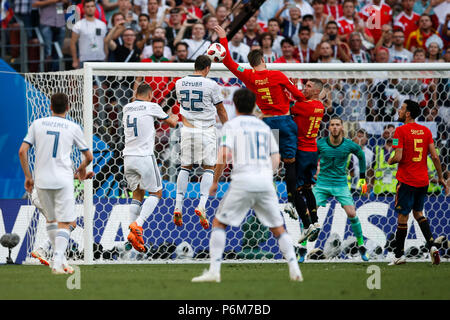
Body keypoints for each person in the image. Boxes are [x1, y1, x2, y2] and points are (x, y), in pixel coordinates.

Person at [191, 88, 303, 283]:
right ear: (254, 105)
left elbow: (224, 155)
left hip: (242, 180)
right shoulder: (264, 127)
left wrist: (215, 181)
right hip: (265, 181)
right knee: (278, 228)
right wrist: (267, 175)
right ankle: (295, 270)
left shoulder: (231, 126)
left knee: (219, 223)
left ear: (234, 105)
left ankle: (214, 272)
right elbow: (276, 158)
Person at [215, 24, 307, 218]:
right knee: (290, 162)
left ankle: (268, 188)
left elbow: (228, 62)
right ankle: (291, 201)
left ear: (250, 63)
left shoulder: (248, 75)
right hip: (285, 120)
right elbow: (299, 95)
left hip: (267, 123)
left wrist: (223, 38)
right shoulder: (277, 75)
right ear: (264, 59)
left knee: (266, 159)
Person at [18, 93, 93, 274]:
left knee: (53, 222)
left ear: (50, 107)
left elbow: (22, 151)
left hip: (41, 182)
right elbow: (89, 156)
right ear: (68, 108)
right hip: (63, 182)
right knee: (67, 223)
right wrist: (82, 168)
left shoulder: (37, 124)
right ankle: (57, 262)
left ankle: (57, 260)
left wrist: (28, 177)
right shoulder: (72, 127)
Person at [387, 99, 448, 265]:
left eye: (401, 109)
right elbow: (435, 156)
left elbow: (397, 156)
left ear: (407, 113)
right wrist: (441, 177)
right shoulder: (426, 131)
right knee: (419, 213)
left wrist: (390, 161)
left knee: (402, 217)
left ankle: (399, 255)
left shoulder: (400, 131)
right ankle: (432, 246)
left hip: (407, 180)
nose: (399, 111)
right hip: (423, 181)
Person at [173, 55, 228, 229]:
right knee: (209, 167)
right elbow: (220, 109)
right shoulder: (211, 85)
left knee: (185, 167)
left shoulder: (179, 83)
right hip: (206, 130)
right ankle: (202, 205)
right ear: (207, 68)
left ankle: (178, 206)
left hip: (187, 129)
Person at [123, 84, 178, 253]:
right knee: (156, 193)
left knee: (137, 194)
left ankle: (130, 236)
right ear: (150, 95)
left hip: (128, 157)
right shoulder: (152, 106)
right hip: (144, 156)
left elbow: (137, 106)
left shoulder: (126, 107)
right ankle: (138, 225)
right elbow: (172, 124)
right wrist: (175, 116)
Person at [313, 116, 370, 261]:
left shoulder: (349, 145)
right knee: (309, 212)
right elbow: (311, 158)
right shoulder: (321, 144)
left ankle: (361, 245)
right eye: (332, 125)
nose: (335, 127)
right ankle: (302, 248)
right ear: (329, 128)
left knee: (352, 213)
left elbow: (361, 156)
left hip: (340, 184)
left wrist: (363, 180)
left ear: (342, 127)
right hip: (322, 184)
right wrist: (312, 172)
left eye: (337, 124)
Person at [290, 79, 325, 252]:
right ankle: (316, 220)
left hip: (301, 151)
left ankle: (307, 225)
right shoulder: (320, 106)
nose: (305, 88)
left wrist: (291, 88)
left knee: (295, 189)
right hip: (312, 150)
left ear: (317, 91)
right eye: (305, 85)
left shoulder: (303, 106)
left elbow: (287, 108)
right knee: (307, 188)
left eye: (309, 86)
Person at [71, 0, 108, 69]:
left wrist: (106, 56)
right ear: (83, 9)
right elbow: (72, 43)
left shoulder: (102, 24)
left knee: (101, 80)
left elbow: (105, 42)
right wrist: (75, 60)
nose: (90, 8)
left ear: (95, 8)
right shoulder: (78, 25)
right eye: (87, 6)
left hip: (100, 58)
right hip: (85, 59)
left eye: (92, 6)